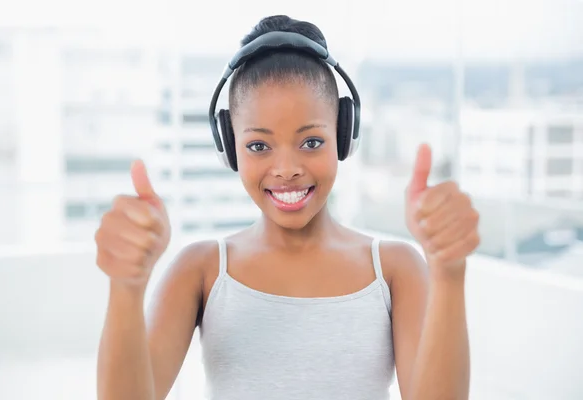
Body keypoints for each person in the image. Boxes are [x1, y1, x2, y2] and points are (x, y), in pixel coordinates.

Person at [95, 15, 480, 400]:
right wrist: (125, 288)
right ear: (230, 148)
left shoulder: (395, 268)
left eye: (311, 142)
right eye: (259, 146)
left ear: (344, 136)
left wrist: (448, 272)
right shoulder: (201, 270)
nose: (286, 170)